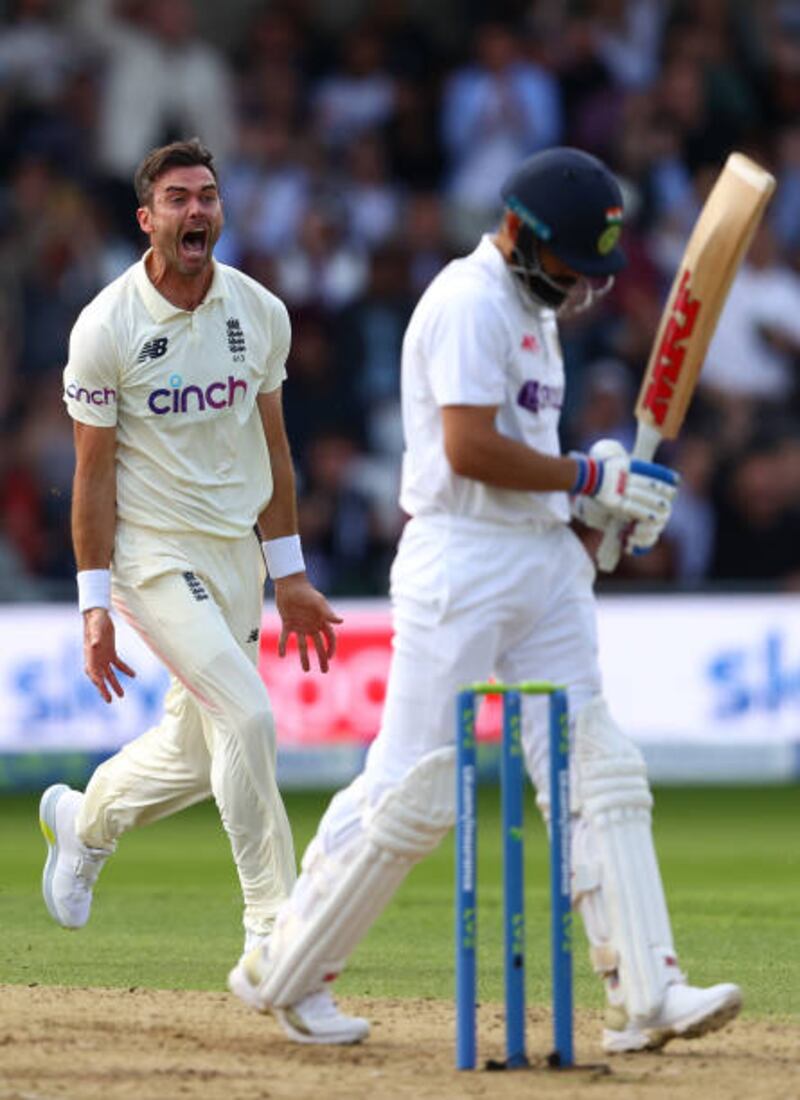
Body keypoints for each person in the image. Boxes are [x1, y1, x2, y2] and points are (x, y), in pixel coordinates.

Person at [228, 147, 742, 1051]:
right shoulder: (469, 302)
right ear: (519, 233)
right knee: (410, 786)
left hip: (540, 561)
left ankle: (646, 987)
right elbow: (467, 449)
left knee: (595, 761)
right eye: (571, 264)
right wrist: (587, 476)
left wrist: (600, 498)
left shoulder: (534, 311)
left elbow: (531, 457)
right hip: (459, 561)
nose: (583, 285)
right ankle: (288, 964)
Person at [39, 138, 368, 1043]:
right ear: (146, 219)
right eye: (178, 199)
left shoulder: (259, 313)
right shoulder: (105, 327)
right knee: (252, 720)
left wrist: (289, 571)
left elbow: (273, 447)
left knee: (198, 749)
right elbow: (93, 477)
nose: (197, 212)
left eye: (209, 197)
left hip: (233, 559)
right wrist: (95, 603)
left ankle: (84, 822)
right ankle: (279, 944)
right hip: (150, 556)